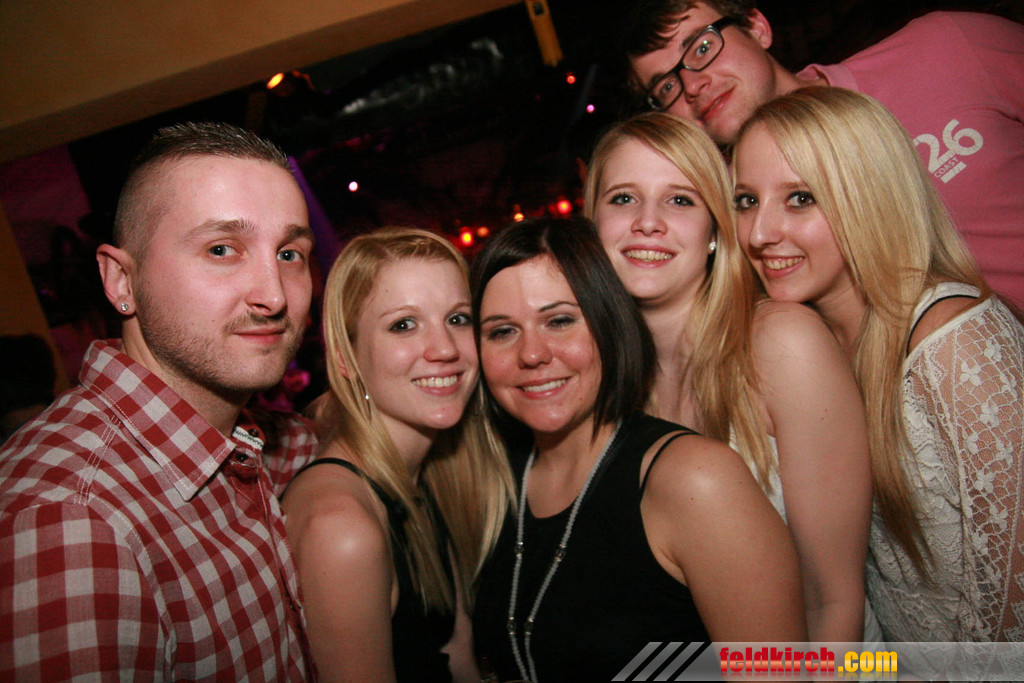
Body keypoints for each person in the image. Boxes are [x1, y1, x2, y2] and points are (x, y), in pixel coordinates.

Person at [0, 122, 319, 679]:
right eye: (222, 249)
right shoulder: (72, 522)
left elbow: (318, 440)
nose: (273, 295)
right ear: (121, 281)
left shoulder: (254, 440)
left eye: (290, 253)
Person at [732, 86, 1024, 642]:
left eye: (800, 198)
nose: (760, 233)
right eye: (746, 200)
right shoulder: (805, 346)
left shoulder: (955, 344)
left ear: (871, 194)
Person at [471, 216, 805, 682]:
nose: (532, 353)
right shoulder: (494, 482)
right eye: (502, 331)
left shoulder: (696, 481)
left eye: (560, 321)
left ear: (608, 324)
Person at [583, 111, 876, 643]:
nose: (647, 222)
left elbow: (831, 600)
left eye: (680, 200)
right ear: (593, 224)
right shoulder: (596, 383)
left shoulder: (780, 344)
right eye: (623, 198)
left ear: (716, 230)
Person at [623, 1, 1024, 311]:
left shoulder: (943, 50)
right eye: (666, 87)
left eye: (702, 47)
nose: (692, 85)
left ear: (757, 28)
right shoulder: (733, 220)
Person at [281, 227, 514, 682]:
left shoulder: (422, 480)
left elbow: (458, 657)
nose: (445, 349)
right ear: (346, 358)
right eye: (404, 325)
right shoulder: (342, 528)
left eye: (458, 319)